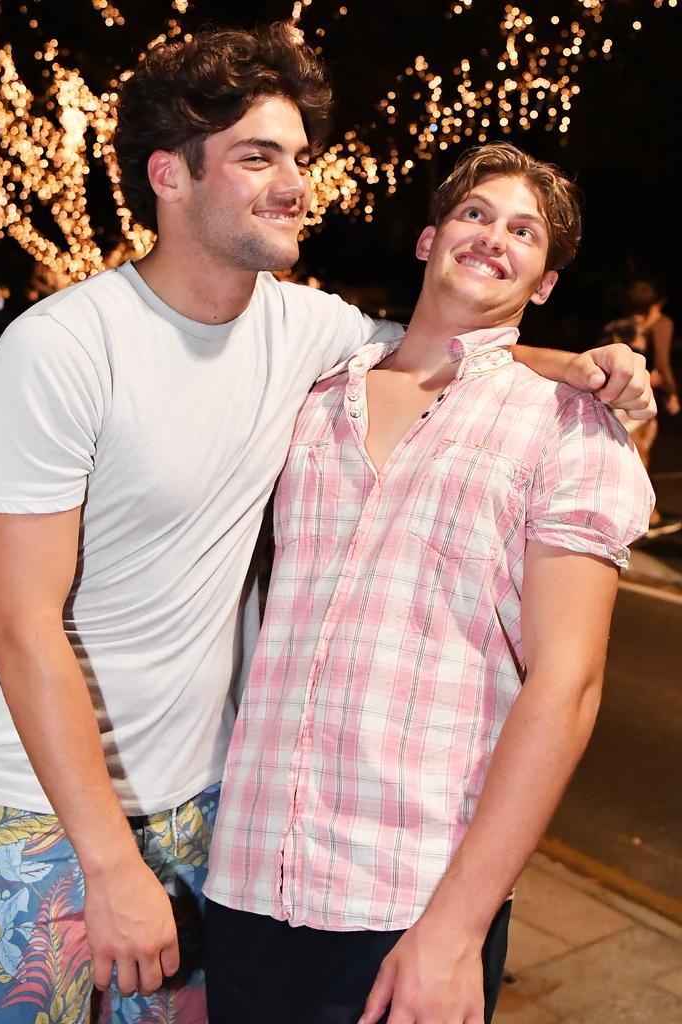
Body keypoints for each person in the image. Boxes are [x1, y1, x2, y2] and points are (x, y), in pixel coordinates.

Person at [0, 23, 653, 1024]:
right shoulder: (69, 349)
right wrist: (11, 597)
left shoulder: (305, 334)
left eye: (301, 158)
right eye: (257, 156)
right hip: (47, 814)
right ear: (170, 175)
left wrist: (598, 375)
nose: (295, 182)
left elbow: (458, 347)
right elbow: (21, 622)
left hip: (213, 820)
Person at [201, 143, 654, 1024]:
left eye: (525, 232)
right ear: (428, 239)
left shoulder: (567, 428)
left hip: (408, 896)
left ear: (546, 282)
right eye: (476, 214)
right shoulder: (314, 394)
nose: (494, 237)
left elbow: (568, 687)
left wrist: (455, 930)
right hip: (248, 873)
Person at [602, 278, 680, 538]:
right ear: (656, 304)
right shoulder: (660, 324)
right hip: (637, 399)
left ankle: (633, 513)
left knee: (626, 452)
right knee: (638, 454)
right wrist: (671, 392)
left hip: (615, 396)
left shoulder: (619, 326)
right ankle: (648, 517)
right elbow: (664, 365)